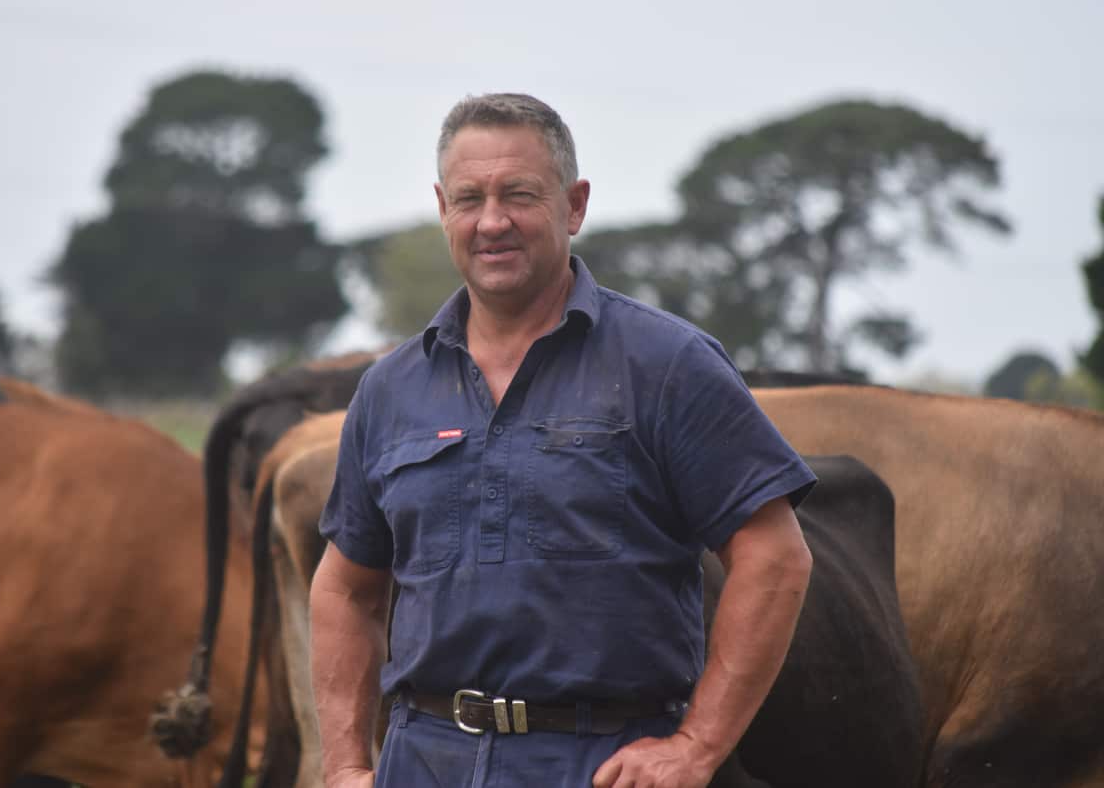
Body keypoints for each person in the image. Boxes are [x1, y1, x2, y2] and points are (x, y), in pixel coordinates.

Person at [310, 93, 816, 788]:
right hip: (424, 760)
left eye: (519, 194)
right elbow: (344, 589)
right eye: (469, 198)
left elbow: (776, 557)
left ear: (573, 206)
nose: (492, 221)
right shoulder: (390, 389)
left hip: (598, 762)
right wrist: (343, 765)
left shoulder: (667, 365)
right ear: (442, 209)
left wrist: (696, 746)